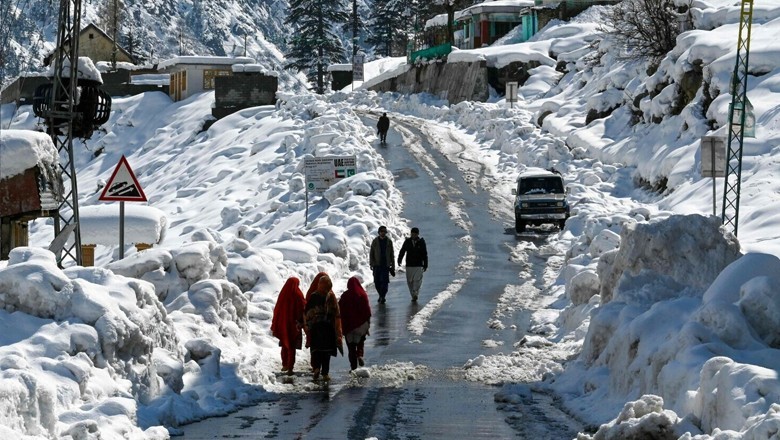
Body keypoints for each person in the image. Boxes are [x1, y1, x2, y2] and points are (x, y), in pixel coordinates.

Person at [304, 275, 342, 381]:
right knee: (326, 352)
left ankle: (316, 368)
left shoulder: (313, 296)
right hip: (328, 328)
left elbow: (308, 311)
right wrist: (337, 330)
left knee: (316, 350)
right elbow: (336, 313)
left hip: (316, 328)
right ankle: (325, 373)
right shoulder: (331, 296)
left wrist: (308, 324)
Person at [271, 277, 306, 375]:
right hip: (294, 325)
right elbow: (302, 308)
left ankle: (284, 365)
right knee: (292, 346)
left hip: (284, 324)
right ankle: (290, 367)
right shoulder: (298, 294)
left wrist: (277, 323)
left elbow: (277, 309)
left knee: (284, 345)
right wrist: (302, 322)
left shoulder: (283, 294)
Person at [338, 276, 372, 370]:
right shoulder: (363, 294)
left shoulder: (345, 296)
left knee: (351, 348)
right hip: (361, 326)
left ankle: (353, 367)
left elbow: (340, 310)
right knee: (360, 341)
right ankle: (360, 355)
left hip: (349, 327)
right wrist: (367, 324)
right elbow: (367, 311)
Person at [304, 272, 330, 370]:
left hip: (314, 324)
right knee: (326, 346)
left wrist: (307, 324)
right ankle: (324, 370)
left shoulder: (311, 293)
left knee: (314, 345)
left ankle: (315, 366)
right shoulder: (329, 293)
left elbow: (306, 308)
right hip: (326, 325)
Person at [397, 227, 428, 302]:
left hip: (418, 264)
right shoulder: (407, 241)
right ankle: (413, 295)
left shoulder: (421, 242)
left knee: (417, 280)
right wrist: (399, 259)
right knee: (410, 281)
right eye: (412, 233)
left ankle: (415, 291)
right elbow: (402, 250)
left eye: (415, 234)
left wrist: (425, 264)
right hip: (409, 265)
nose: (413, 235)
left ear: (418, 234)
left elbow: (424, 254)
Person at [369, 225, 395, 303]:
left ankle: (382, 296)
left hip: (385, 265)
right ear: (379, 232)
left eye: (384, 232)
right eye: (382, 231)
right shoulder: (375, 241)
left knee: (384, 282)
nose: (383, 233)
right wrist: (371, 263)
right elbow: (371, 253)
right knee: (377, 282)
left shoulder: (389, 242)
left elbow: (392, 254)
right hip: (377, 265)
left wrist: (393, 267)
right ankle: (381, 295)